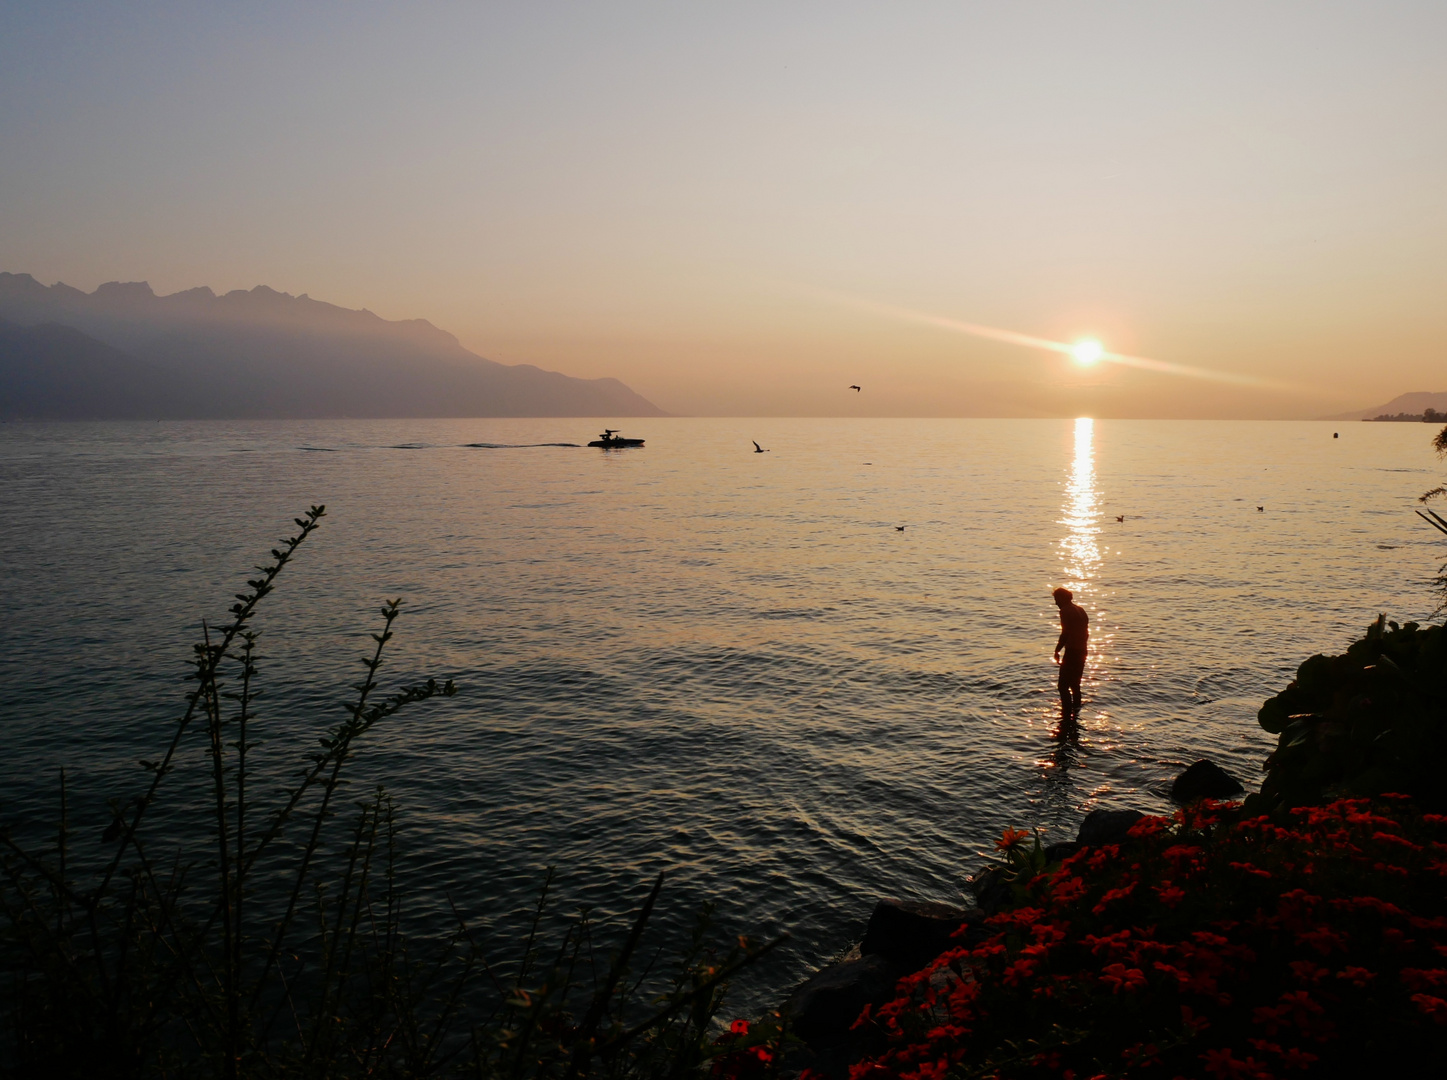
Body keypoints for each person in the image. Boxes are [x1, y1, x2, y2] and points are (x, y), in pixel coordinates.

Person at [1052, 587, 1089, 720]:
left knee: (1062, 686)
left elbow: (1065, 633)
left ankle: (1066, 714)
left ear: (1062, 598)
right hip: (1082, 650)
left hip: (1072, 651)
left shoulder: (1065, 611)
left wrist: (1057, 650)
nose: (1056, 603)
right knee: (1075, 684)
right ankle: (1076, 712)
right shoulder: (1080, 609)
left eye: (1056, 600)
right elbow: (1085, 633)